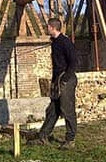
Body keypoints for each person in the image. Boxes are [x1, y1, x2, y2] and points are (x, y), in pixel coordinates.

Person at [31, 18, 78, 150]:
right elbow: (57, 65)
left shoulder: (65, 42)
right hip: (58, 80)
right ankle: (43, 136)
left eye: (47, 27)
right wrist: (54, 82)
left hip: (66, 80)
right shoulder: (55, 42)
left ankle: (70, 140)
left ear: (52, 28)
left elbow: (74, 62)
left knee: (67, 109)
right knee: (53, 109)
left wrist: (64, 79)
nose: (46, 29)